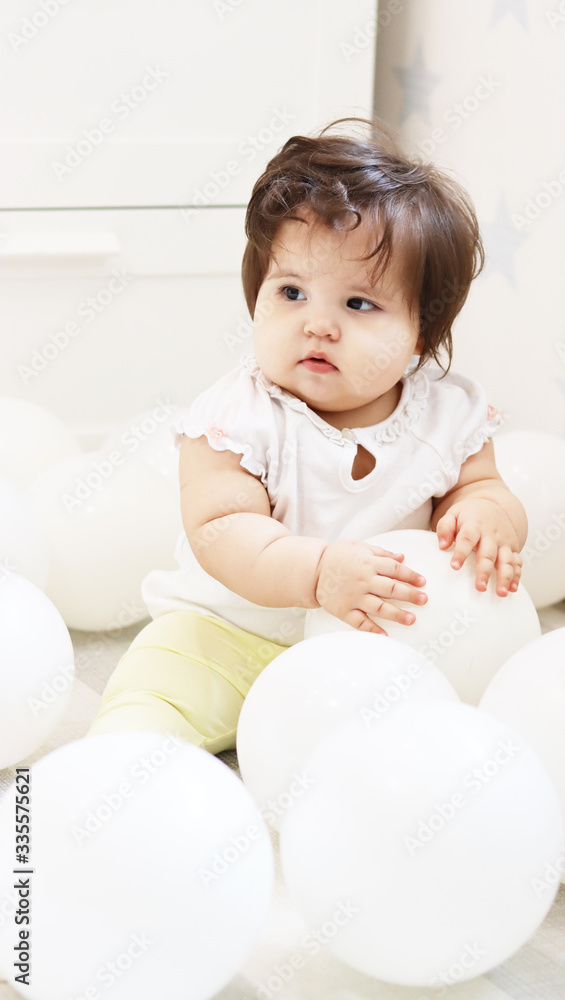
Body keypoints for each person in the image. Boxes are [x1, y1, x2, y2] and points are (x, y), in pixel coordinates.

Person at [87, 118, 528, 754]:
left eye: (358, 304)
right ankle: (123, 763)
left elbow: (482, 485)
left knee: (431, 740)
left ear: (422, 335)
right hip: (231, 631)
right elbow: (221, 530)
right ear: (256, 297)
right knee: (157, 690)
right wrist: (318, 572)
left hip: (374, 646)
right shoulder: (237, 418)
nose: (317, 325)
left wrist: (486, 516)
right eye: (291, 291)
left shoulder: (448, 415)